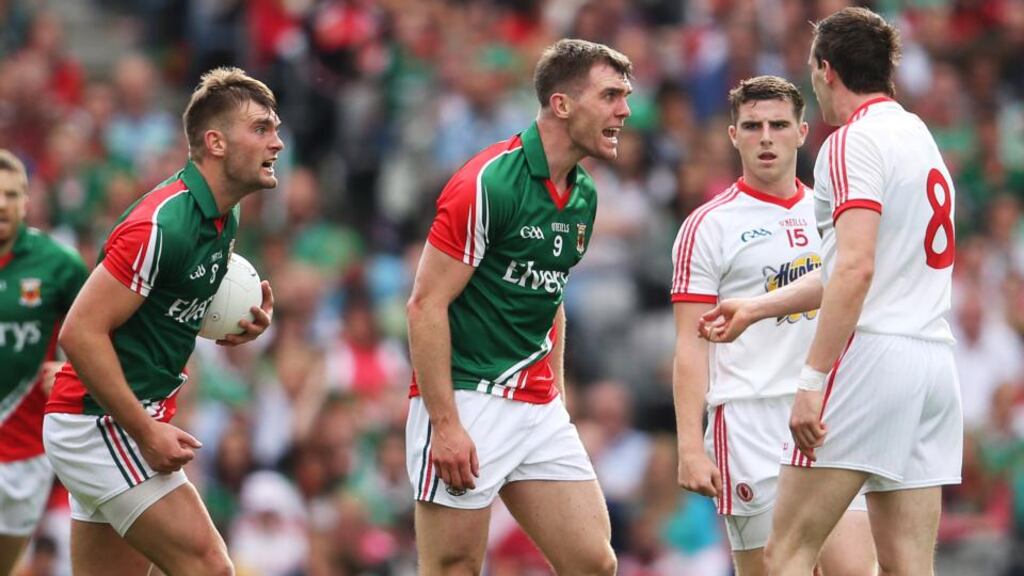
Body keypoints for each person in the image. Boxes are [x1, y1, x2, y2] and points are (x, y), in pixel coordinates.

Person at [699, 9, 962, 574]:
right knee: (907, 565)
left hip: (871, 359)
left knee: (788, 550)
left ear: (825, 70)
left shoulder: (851, 141)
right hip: (933, 363)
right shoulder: (918, 135)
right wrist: (759, 306)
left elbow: (856, 270)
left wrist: (812, 381)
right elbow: (864, 263)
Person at [405, 38, 630, 575]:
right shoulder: (487, 183)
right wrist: (446, 424)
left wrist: (557, 392)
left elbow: (551, 294)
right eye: (610, 95)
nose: (624, 110)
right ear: (562, 104)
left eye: (625, 96)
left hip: (536, 403)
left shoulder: (584, 195)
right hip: (469, 395)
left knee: (594, 563)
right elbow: (425, 305)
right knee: (454, 566)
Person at [42, 67, 280, 576]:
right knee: (212, 567)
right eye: (260, 128)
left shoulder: (223, 216)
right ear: (215, 143)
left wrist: (233, 327)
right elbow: (79, 333)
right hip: (100, 423)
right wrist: (145, 431)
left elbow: (162, 312)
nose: (277, 142)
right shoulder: (160, 225)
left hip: (115, 420)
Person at [670, 76, 876, 575]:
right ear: (732, 135)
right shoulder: (708, 225)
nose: (766, 137)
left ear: (803, 132)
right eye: (753, 125)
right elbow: (690, 346)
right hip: (748, 419)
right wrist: (690, 447)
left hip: (828, 411)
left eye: (779, 125)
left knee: (855, 570)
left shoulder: (833, 214)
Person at [0, 149, 88, 575]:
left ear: (27, 202)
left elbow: (100, 331)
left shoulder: (59, 266)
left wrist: (71, 372)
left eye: (12, 194)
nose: (2, 204)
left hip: (26, 452)